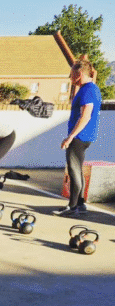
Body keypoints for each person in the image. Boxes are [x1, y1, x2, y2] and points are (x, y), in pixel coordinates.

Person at [54, 56, 102, 217]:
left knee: (74, 171)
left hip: (80, 136)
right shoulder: (90, 88)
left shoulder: (88, 89)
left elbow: (86, 116)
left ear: (80, 73)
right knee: (78, 170)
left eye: (72, 74)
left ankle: (73, 206)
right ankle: (80, 204)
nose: (70, 78)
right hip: (85, 136)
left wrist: (70, 137)